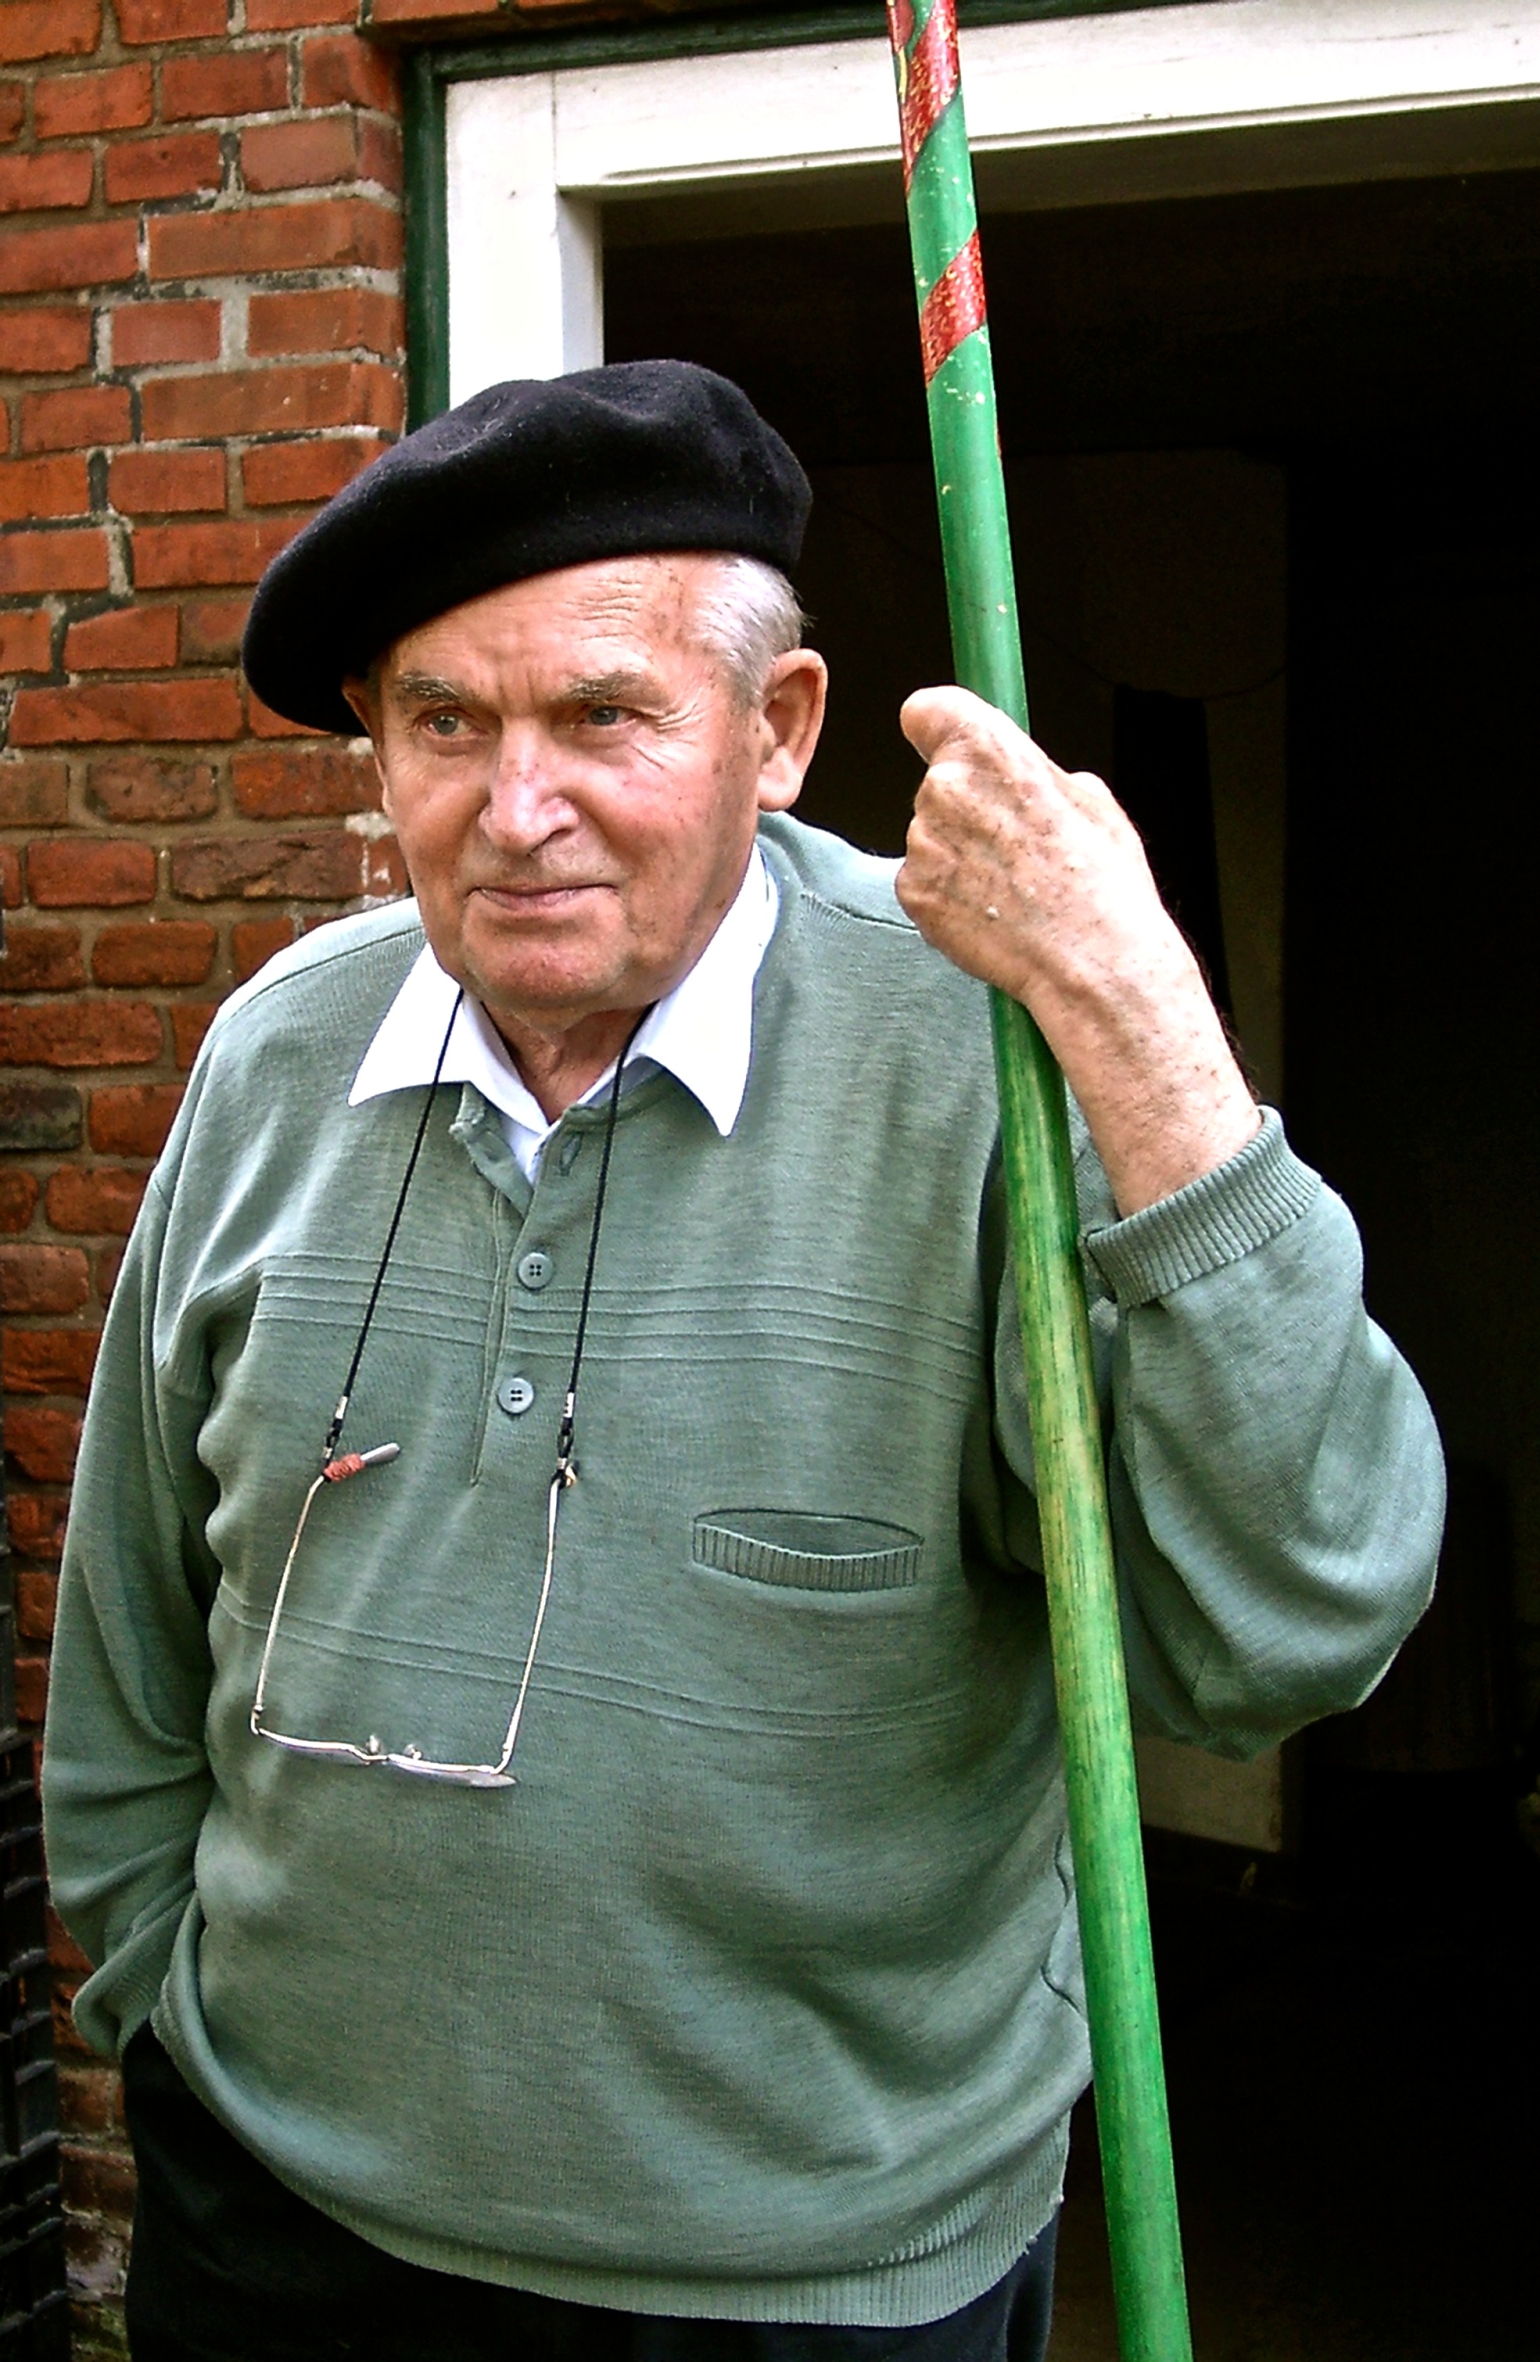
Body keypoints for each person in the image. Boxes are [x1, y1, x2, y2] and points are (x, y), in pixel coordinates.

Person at [42, 362, 1443, 2362]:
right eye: (441, 719)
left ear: (773, 730)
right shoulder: (278, 1054)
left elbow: (1294, 1619)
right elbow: (129, 1644)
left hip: (813, 2291)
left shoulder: (982, 1062)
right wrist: (173, 2006)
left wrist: (1130, 1013)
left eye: (601, 715)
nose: (513, 808)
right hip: (280, 2229)